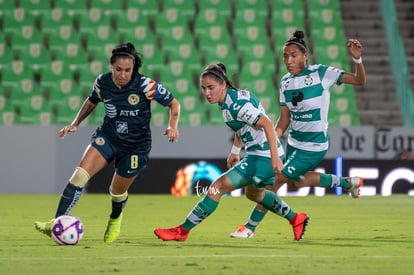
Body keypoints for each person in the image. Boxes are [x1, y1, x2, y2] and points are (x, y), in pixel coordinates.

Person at [34, 42, 181, 243]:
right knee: (78, 177)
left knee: (116, 191)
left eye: (128, 70)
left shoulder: (145, 85)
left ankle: (114, 219)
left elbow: (174, 103)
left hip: (136, 148)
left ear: (134, 69)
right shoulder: (102, 82)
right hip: (108, 137)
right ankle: (56, 222)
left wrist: (173, 126)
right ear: (111, 66)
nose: (123, 74)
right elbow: (92, 100)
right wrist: (75, 123)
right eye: (118, 69)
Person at [230, 30, 367, 238]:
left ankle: (250, 228)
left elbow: (359, 81)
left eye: (294, 55)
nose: (289, 60)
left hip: (314, 146)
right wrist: (272, 139)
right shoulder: (285, 82)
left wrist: (357, 58)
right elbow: (284, 118)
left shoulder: (321, 73)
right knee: (297, 182)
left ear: (305, 56)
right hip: (293, 142)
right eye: (285, 56)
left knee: (274, 181)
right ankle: (349, 183)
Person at [154, 63, 309, 242]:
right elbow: (242, 126)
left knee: (216, 187)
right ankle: (296, 219)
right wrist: (235, 150)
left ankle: (182, 231)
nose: (206, 93)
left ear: (224, 84)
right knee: (255, 194)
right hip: (260, 155)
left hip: (263, 157)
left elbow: (266, 123)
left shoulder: (235, 104)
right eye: (203, 88)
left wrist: (275, 158)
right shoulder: (230, 99)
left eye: (211, 88)